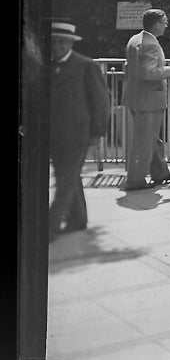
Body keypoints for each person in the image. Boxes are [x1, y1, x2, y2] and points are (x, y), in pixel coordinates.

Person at [50, 21, 111, 238]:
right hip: (55, 133)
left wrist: (98, 132)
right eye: (52, 42)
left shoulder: (86, 66)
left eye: (61, 42)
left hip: (78, 133)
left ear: (70, 44)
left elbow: (101, 102)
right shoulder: (46, 66)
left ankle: (49, 226)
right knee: (69, 176)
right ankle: (78, 218)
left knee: (65, 181)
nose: (55, 47)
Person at [122, 9, 170, 191]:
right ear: (156, 24)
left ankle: (160, 172)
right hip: (149, 99)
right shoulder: (151, 45)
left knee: (150, 139)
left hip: (135, 96)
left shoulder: (135, 39)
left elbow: (128, 66)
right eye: (164, 22)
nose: (166, 25)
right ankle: (135, 180)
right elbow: (149, 72)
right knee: (144, 142)